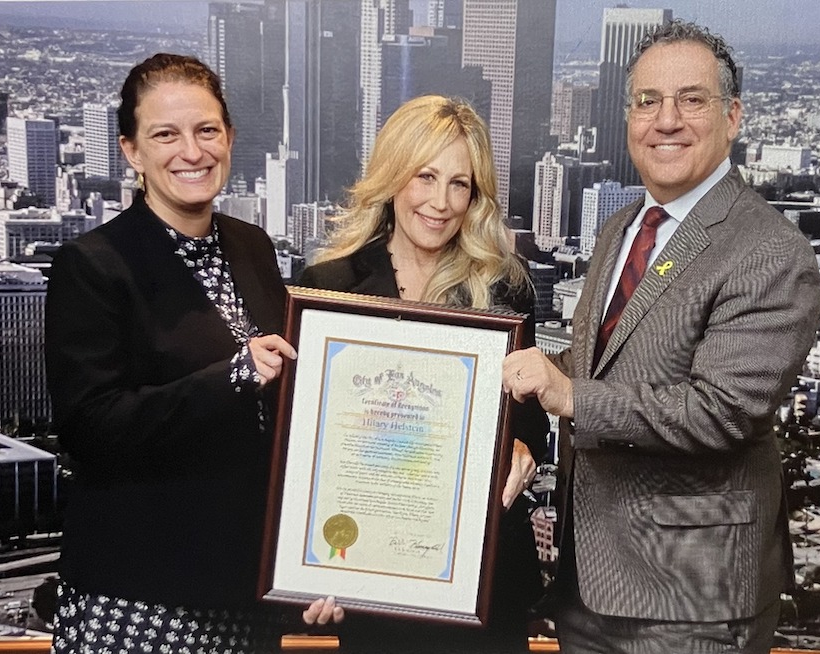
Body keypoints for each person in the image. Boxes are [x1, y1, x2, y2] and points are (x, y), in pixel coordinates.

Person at [502, 21, 820, 654]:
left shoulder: (770, 251)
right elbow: (601, 363)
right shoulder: (623, 225)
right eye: (647, 101)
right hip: (589, 582)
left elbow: (721, 411)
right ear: (628, 119)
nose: (665, 119)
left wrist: (569, 395)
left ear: (732, 116)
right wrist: (495, 371)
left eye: (691, 99)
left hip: (693, 600)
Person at [45, 53, 341, 654]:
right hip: (138, 598)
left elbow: (289, 420)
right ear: (131, 152)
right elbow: (90, 428)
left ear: (229, 137)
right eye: (165, 134)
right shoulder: (94, 265)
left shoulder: (252, 247)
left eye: (207, 130)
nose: (192, 151)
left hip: (242, 592)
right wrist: (231, 379)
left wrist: (318, 558)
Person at [297, 94, 548, 653]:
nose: (440, 201)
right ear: (393, 177)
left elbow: (531, 422)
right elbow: (306, 442)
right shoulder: (329, 283)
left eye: (460, 184)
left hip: (482, 585)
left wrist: (524, 449)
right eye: (425, 176)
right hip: (370, 580)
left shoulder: (505, 287)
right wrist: (309, 564)